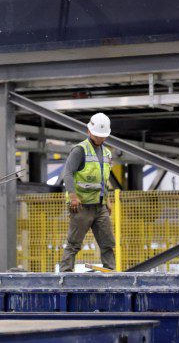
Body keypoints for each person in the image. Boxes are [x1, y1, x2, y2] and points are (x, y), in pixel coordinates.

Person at [59, 113, 116, 272]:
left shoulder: (107, 153)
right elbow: (68, 173)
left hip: (100, 206)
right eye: (97, 135)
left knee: (107, 242)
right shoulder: (80, 150)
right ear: (89, 131)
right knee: (74, 243)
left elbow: (104, 179)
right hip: (81, 206)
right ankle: (65, 274)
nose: (99, 139)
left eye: (102, 136)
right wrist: (73, 197)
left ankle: (110, 272)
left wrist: (108, 200)